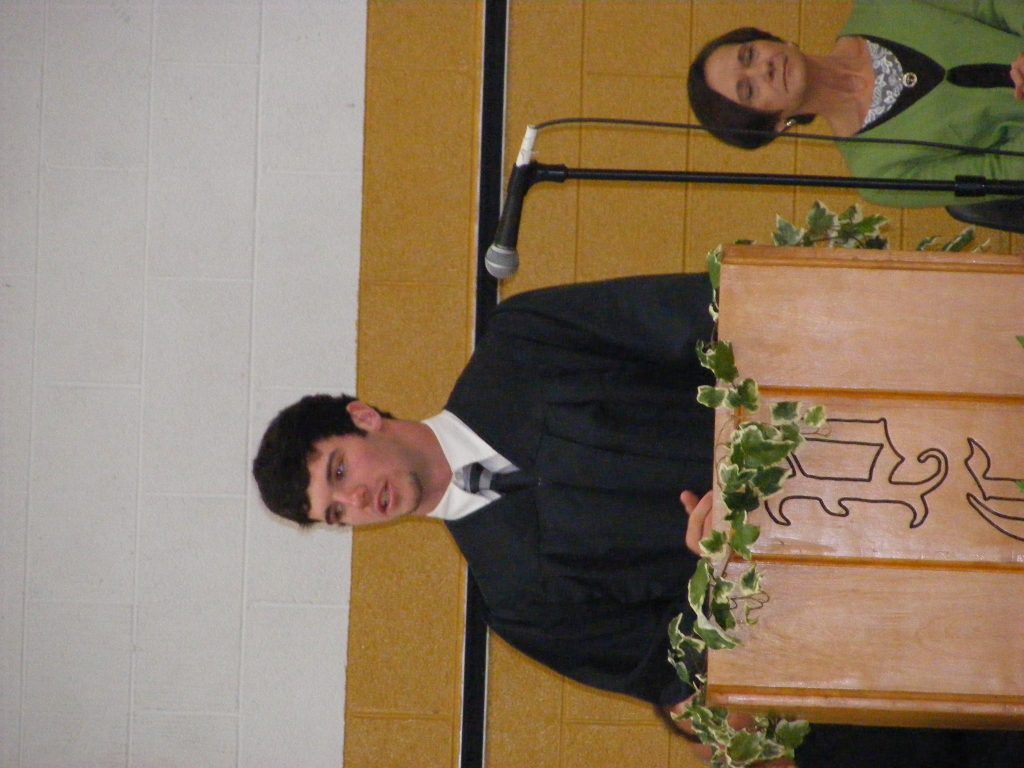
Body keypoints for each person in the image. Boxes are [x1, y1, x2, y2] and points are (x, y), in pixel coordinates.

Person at [253, 273, 1023, 768]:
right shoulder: (515, 598)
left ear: (363, 418)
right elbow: (682, 672)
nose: (358, 502)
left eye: (340, 472)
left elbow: (709, 316)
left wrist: (750, 437)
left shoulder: (522, 347)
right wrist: (714, 578)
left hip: (874, 434)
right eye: (336, 513)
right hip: (869, 613)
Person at [686, 0, 1024, 208]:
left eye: (750, 55)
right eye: (748, 89)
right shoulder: (878, 176)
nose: (764, 69)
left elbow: (994, 2)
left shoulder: (880, 6)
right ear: (774, 126)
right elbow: (1004, 174)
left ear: (776, 40)